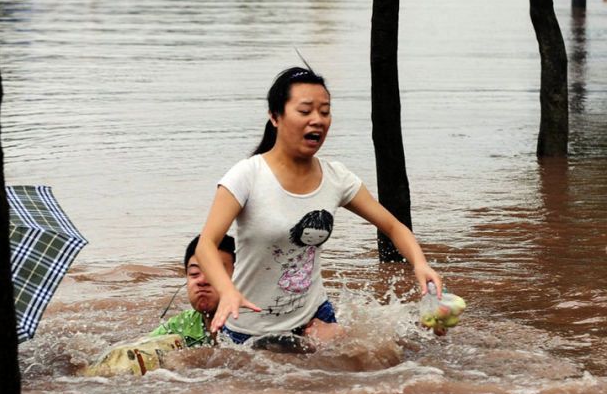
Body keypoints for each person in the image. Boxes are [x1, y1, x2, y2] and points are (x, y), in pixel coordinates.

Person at [195, 66, 443, 344]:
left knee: (370, 365)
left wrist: (420, 264)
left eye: (324, 112)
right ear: (275, 117)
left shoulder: (336, 178)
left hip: (315, 316)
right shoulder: (247, 175)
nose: (317, 120)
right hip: (249, 327)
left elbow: (393, 226)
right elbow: (206, 245)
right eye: (305, 111)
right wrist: (227, 291)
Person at [149, 234, 236, 347]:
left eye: (213, 273)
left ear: (240, 276)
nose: (201, 281)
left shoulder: (255, 325)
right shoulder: (181, 325)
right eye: (194, 273)